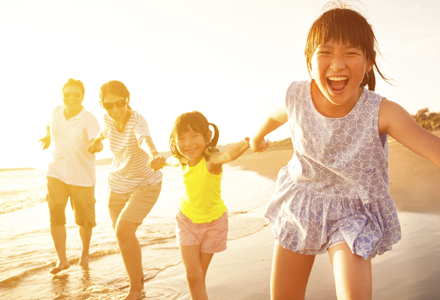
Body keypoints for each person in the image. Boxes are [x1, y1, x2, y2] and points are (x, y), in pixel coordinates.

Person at [250, 3, 440, 300]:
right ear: (309, 63)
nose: (337, 65)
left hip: (353, 210)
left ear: (367, 63)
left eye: (350, 53)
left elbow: (433, 148)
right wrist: (257, 139)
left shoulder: (382, 111)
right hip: (303, 202)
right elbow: (272, 118)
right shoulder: (296, 96)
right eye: (325, 52)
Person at [157, 111, 250, 300]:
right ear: (174, 141)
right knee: (193, 276)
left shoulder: (210, 161)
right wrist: (161, 162)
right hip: (186, 221)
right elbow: (170, 160)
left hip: (213, 224)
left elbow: (228, 155)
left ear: (207, 136)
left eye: (194, 136)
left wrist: (248, 142)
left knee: (198, 274)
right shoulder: (183, 161)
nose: (188, 143)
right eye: (181, 138)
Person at [88, 80, 165, 300]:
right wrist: (94, 144)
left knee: (123, 231)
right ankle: (138, 276)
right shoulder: (107, 118)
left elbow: (144, 138)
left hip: (146, 183)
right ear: (102, 105)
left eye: (119, 103)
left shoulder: (136, 121)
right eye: (108, 105)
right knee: (121, 233)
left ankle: (136, 290)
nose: (115, 109)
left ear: (127, 99)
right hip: (118, 183)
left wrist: (153, 154)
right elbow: (103, 133)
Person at [39, 78, 100, 275]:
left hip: (81, 177)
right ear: (62, 95)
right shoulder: (56, 111)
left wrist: (96, 146)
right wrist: (48, 136)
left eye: (76, 94)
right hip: (56, 172)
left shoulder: (88, 118)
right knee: (55, 216)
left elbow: (96, 141)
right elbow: (50, 124)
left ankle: (84, 254)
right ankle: (62, 260)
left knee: (84, 220)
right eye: (67, 94)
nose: (71, 98)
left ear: (83, 97)